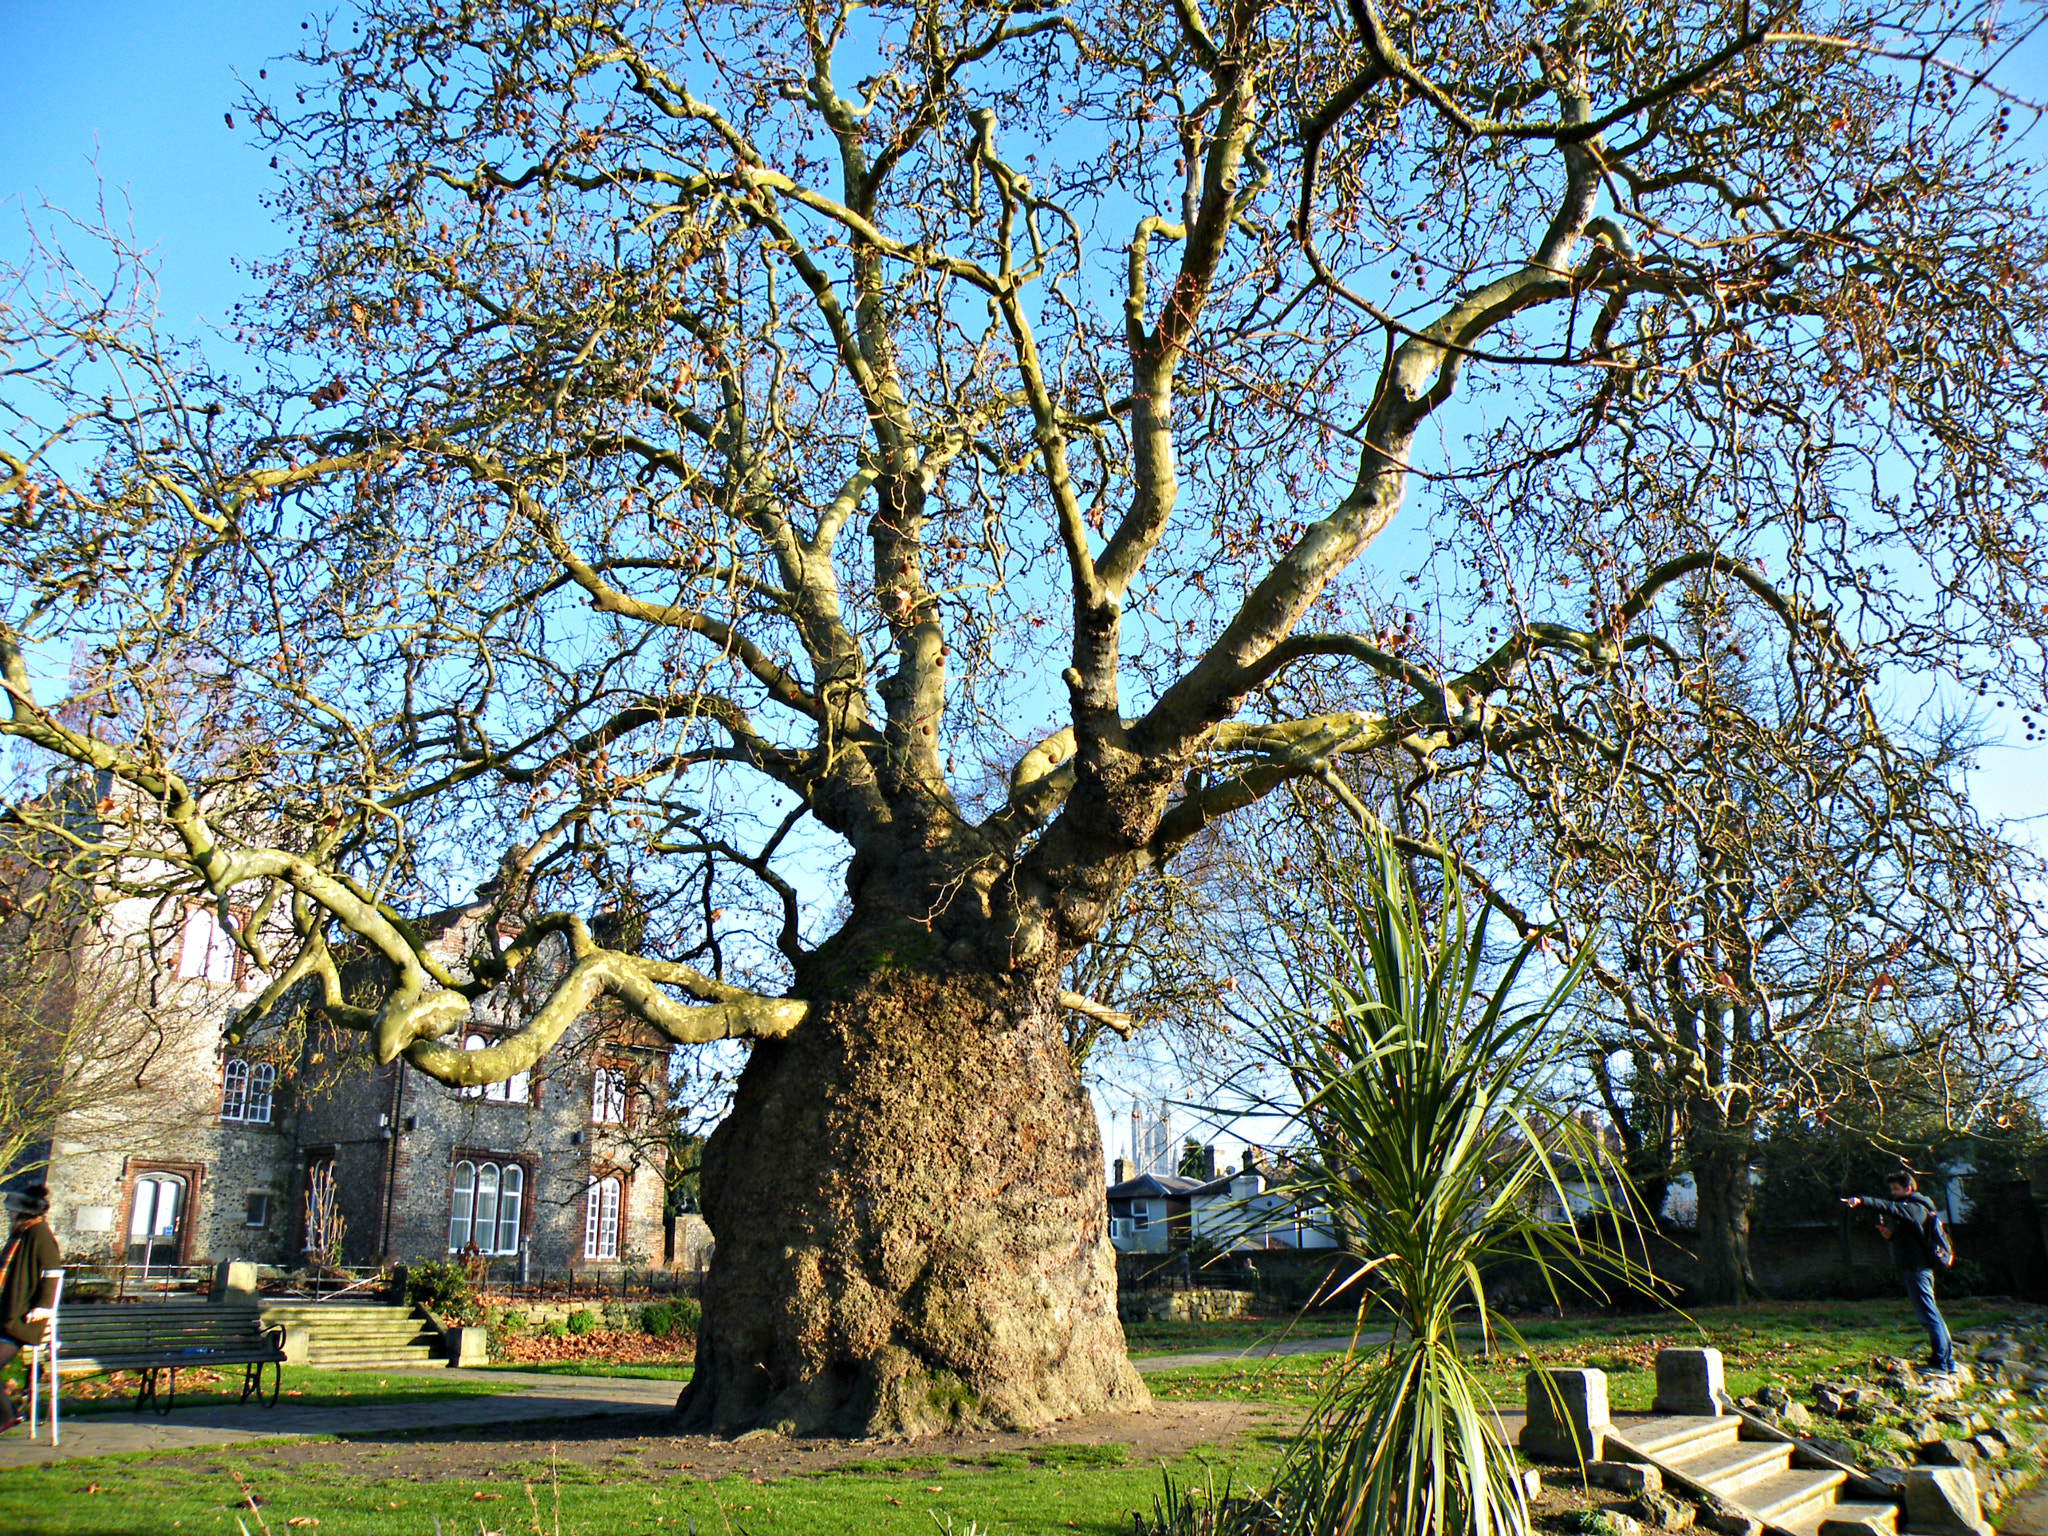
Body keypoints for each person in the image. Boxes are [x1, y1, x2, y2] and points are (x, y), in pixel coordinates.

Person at [1842, 1170, 1953, 1378]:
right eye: (1891, 1189)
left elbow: (1890, 1208)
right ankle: (1947, 1362)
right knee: (1932, 1315)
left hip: (1918, 1271)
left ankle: (1941, 1364)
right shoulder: (1916, 1210)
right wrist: (1892, 1237)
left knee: (1929, 1316)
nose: (1892, 1193)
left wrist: (1861, 1201)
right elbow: (1914, 1241)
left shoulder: (1916, 1207)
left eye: (1896, 1188)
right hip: (1916, 1268)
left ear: (1908, 1189)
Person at [0, 1184, 62, 1433]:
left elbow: (52, 1273)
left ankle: (7, 1417)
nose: (8, 1214)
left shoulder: (39, 1235)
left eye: (11, 1211)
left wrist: (44, 1308)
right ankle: (8, 1415)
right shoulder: (21, 1235)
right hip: (7, 1316)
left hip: (22, 1321)